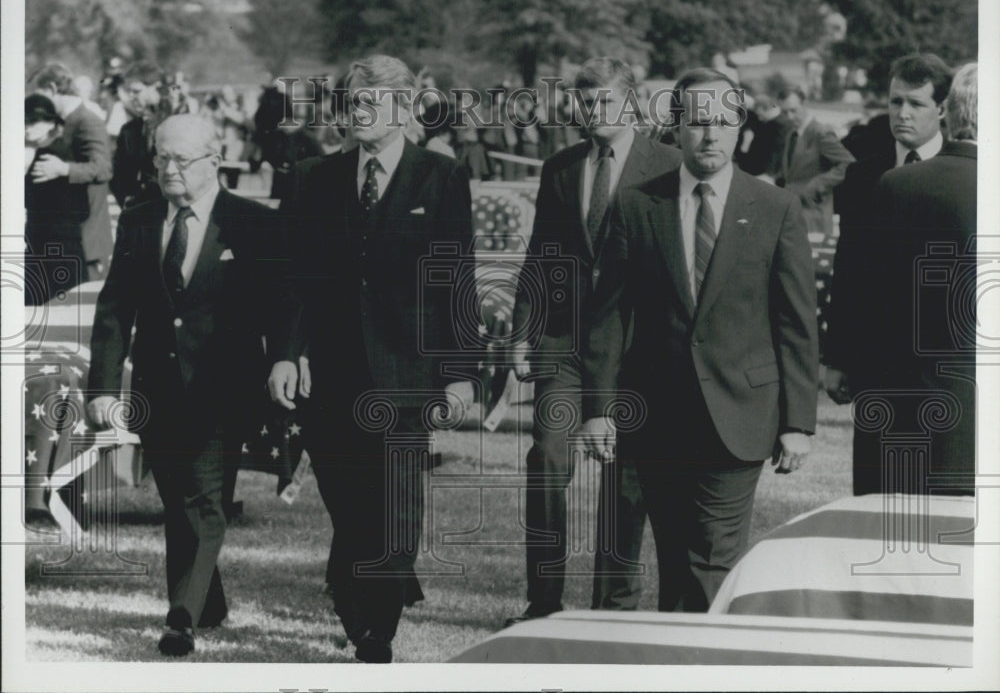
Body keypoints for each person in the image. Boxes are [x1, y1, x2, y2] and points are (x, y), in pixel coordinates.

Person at [580, 68, 818, 611]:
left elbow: (796, 322)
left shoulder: (775, 208)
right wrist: (598, 407)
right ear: (676, 128)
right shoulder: (638, 206)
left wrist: (798, 422)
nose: (710, 134)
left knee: (712, 559)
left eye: (723, 122)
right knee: (675, 557)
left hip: (740, 414)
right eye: (697, 122)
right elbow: (609, 316)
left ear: (740, 129)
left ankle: (704, 663)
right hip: (657, 418)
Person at [267, 54, 475, 663]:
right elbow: (295, 282)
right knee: (352, 505)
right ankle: (359, 604)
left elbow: (455, 281)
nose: (357, 112)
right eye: (352, 101)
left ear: (406, 109)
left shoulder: (439, 178)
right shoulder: (314, 177)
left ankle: (376, 629)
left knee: (395, 506)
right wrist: (286, 354)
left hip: (407, 374)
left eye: (371, 102)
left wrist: (461, 372)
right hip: (330, 375)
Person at [86, 114, 280, 656]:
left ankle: (182, 616)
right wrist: (103, 388)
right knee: (179, 500)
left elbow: (280, 307)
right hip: (157, 389)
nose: (168, 169)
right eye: (160, 159)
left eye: (181, 160)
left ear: (215, 161)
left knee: (203, 498)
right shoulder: (142, 218)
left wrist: (285, 363)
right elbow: (115, 308)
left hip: (224, 389)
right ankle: (210, 600)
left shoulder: (252, 223)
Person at [506, 58, 683, 626]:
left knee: (625, 478)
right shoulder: (561, 167)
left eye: (604, 101)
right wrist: (523, 330)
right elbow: (541, 255)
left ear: (631, 103)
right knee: (547, 461)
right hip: (563, 343)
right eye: (584, 103)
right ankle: (543, 603)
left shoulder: (669, 165)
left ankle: (613, 607)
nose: (592, 112)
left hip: (637, 348)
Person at [840, 64, 977, 496]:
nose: (902, 113)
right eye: (895, 101)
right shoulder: (868, 175)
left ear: (944, 110)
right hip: (896, 375)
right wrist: (840, 357)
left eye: (915, 103)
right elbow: (853, 275)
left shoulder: (907, 183)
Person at [31, 62, 114, 281]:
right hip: (66, 237)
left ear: (52, 88)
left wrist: (63, 169)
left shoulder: (86, 121)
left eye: (39, 94)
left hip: (88, 242)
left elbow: (104, 168)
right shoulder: (63, 121)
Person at [24, 94, 90, 302]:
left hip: (50, 246)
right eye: (24, 121)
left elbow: (28, 200)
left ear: (51, 122)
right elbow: (83, 208)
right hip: (65, 244)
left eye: (34, 121)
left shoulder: (48, 157)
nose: (28, 127)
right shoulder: (62, 151)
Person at [776, 86, 855, 235]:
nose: (790, 117)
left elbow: (849, 164)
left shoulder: (821, 133)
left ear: (805, 104)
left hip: (814, 215)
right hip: (793, 213)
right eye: (785, 112)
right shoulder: (791, 134)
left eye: (793, 110)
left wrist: (816, 185)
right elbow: (791, 173)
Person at [109, 61, 164, 208]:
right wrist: (127, 202)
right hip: (139, 215)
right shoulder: (129, 130)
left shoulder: (176, 125)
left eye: (136, 91)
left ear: (155, 87)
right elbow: (118, 177)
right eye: (129, 92)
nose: (131, 97)